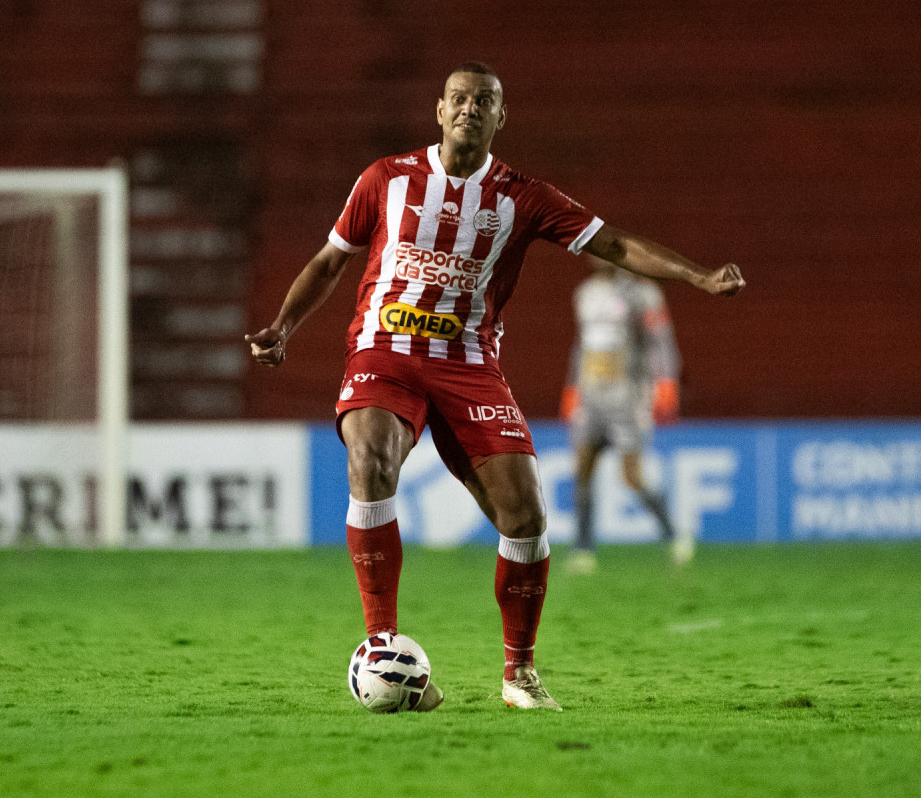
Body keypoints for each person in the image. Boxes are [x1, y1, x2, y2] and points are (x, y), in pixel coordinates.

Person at [245, 61, 745, 712]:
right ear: (438, 109)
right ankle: (381, 644)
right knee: (370, 458)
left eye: (484, 101)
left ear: (500, 117)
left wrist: (699, 276)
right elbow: (330, 260)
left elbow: (615, 244)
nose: (469, 109)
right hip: (385, 349)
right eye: (458, 98)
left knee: (527, 518)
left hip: (468, 361)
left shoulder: (523, 196)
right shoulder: (385, 180)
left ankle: (520, 674)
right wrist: (284, 326)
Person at [560, 257, 688, 575]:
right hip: (592, 397)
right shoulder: (586, 293)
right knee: (583, 469)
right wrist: (572, 387)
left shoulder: (643, 294)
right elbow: (582, 345)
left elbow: (660, 342)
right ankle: (583, 549)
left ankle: (673, 534)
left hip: (627, 397)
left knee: (631, 477)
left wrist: (666, 383)